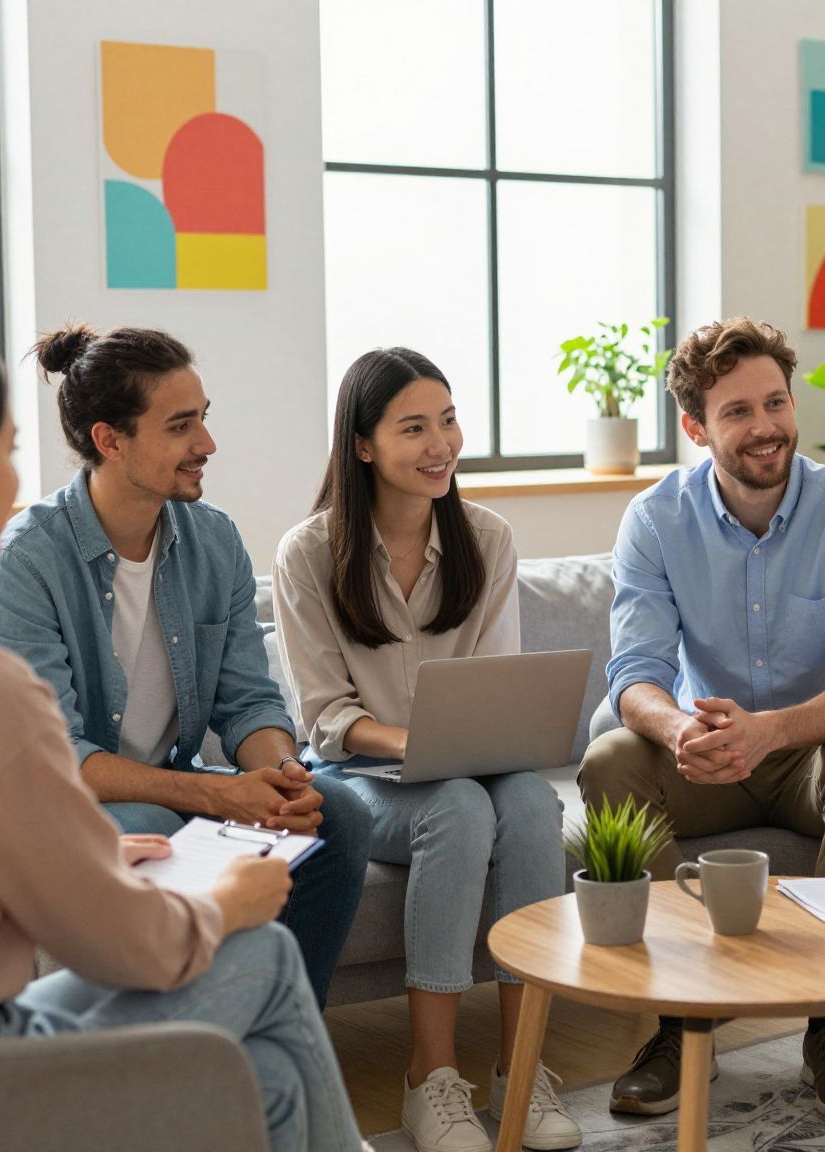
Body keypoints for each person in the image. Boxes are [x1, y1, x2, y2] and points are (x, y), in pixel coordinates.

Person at [0, 326, 363, 1152]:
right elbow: (131, 946)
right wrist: (226, 903)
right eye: (10, 449)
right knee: (265, 958)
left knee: (269, 1083)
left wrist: (89, 858)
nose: (22, 479)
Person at [0, 323, 371, 1006]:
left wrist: (279, 775)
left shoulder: (214, 540)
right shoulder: (24, 560)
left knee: (338, 814)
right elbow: (56, 758)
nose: (206, 445)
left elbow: (248, 700)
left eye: (204, 420)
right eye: (181, 426)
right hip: (70, 808)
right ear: (110, 439)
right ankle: (179, 1055)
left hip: (174, 788)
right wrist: (219, 796)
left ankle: (283, 1025)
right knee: (151, 833)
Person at [579, 316, 825, 1119]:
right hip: (706, 755)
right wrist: (679, 731)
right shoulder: (655, 520)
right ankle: (680, 1020)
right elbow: (636, 674)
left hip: (812, 752)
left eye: (776, 403)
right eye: (737, 412)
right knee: (612, 759)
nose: (766, 428)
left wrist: (770, 731)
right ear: (696, 427)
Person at [273, 347, 575, 1152]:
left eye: (447, 420)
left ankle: (525, 1066)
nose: (441, 442)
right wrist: (414, 741)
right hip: (363, 776)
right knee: (456, 807)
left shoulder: (487, 539)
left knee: (530, 804)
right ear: (363, 445)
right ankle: (430, 1078)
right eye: (414, 427)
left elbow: (498, 687)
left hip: (471, 763)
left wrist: (468, 741)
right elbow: (323, 717)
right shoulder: (307, 554)